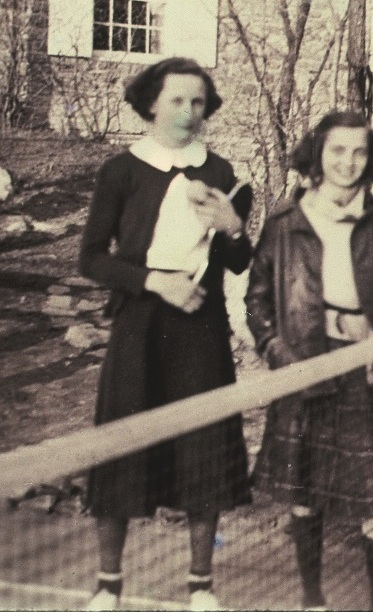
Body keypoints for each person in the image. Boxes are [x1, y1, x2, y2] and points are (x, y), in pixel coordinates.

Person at [79, 57, 253, 611]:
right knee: (122, 447)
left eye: (198, 102)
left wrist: (234, 229)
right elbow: (90, 258)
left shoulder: (221, 171)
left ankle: (200, 585)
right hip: (139, 326)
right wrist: (155, 282)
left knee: (205, 448)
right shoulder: (120, 171)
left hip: (201, 327)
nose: (188, 112)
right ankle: (108, 584)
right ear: (151, 103)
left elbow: (238, 260)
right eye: (177, 100)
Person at [244, 111, 373, 611]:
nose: (348, 162)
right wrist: (281, 357)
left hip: (360, 369)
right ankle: (312, 601)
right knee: (304, 495)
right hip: (301, 368)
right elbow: (256, 301)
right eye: (337, 150)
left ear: (371, 158)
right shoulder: (285, 221)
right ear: (317, 154)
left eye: (359, 152)